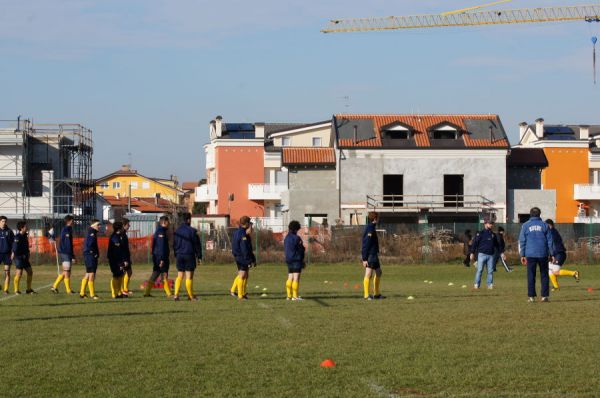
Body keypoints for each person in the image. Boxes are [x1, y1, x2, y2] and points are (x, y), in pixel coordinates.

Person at [518, 207, 555, 302]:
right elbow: (550, 241)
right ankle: (544, 296)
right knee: (544, 275)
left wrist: (522, 255)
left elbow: (522, 241)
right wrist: (552, 254)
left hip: (530, 254)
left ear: (530, 214)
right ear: (539, 214)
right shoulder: (545, 225)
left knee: (531, 275)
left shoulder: (525, 226)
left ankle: (531, 297)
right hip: (543, 254)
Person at [173, 212, 202, 301]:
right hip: (189, 255)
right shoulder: (192, 231)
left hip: (179, 255)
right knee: (189, 276)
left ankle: (176, 295)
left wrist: (176, 254)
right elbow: (197, 245)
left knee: (180, 276)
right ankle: (191, 296)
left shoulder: (177, 231)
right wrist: (199, 256)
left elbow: (174, 244)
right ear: (189, 220)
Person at [545, 219, 580, 291]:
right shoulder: (552, 232)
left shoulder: (552, 232)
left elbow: (552, 245)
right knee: (549, 270)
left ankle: (574, 273)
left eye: (545, 226)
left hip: (559, 254)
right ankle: (556, 287)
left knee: (555, 272)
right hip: (556, 253)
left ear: (549, 225)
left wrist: (552, 255)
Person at [470, 218, 503, 290]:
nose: (491, 225)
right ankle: (476, 284)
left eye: (492, 224)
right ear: (485, 224)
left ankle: (490, 284)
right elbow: (475, 243)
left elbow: (497, 245)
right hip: (482, 255)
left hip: (491, 255)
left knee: (490, 271)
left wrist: (501, 253)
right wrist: (472, 253)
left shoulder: (493, 234)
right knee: (480, 270)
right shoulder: (480, 233)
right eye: (490, 223)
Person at [144, 216, 172, 298]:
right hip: (160, 257)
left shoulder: (160, 230)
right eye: (168, 222)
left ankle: (147, 292)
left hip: (158, 257)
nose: (169, 223)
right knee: (164, 274)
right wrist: (161, 259)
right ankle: (168, 293)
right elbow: (161, 247)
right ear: (164, 222)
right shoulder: (161, 232)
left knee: (156, 274)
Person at [231, 216, 256, 300]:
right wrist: (248, 259)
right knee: (242, 275)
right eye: (249, 223)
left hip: (238, 256)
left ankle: (243, 293)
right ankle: (240, 295)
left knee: (245, 275)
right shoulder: (243, 234)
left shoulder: (237, 232)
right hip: (242, 257)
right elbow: (244, 248)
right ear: (247, 224)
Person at [51, 215, 76, 295]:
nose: (74, 222)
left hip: (65, 252)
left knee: (67, 271)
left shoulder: (68, 229)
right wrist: (72, 255)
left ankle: (54, 286)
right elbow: (67, 244)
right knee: (67, 271)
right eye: (73, 220)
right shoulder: (66, 230)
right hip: (65, 252)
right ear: (70, 221)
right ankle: (67, 290)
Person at [361, 212, 384, 300]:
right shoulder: (370, 227)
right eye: (377, 218)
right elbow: (366, 243)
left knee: (378, 272)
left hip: (374, 254)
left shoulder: (372, 227)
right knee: (368, 274)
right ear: (375, 219)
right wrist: (364, 258)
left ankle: (376, 294)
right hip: (370, 255)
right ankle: (366, 295)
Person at [284, 220, 305, 301]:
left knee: (290, 277)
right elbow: (301, 249)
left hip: (288, 259)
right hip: (296, 259)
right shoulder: (297, 238)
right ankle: (295, 296)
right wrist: (301, 259)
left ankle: (289, 296)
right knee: (296, 278)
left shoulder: (286, 237)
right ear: (296, 229)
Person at [80, 219, 101, 300]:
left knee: (88, 273)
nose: (99, 226)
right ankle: (92, 294)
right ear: (94, 225)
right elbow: (89, 244)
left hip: (88, 255)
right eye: (98, 224)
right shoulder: (92, 232)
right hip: (90, 255)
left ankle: (82, 293)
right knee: (92, 274)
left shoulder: (91, 231)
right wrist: (93, 253)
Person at [12, 221, 35, 294]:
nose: (27, 227)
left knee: (30, 272)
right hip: (19, 257)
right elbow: (15, 248)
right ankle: (16, 290)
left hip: (25, 257)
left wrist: (27, 252)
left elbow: (26, 246)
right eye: (25, 226)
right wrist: (17, 256)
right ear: (21, 228)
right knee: (19, 274)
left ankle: (28, 289)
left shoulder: (25, 235)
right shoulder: (17, 237)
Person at [107, 221, 127, 299]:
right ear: (119, 228)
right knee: (116, 275)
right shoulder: (114, 237)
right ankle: (114, 293)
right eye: (122, 227)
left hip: (118, 259)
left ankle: (119, 293)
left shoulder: (119, 236)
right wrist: (121, 260)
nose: (123, 228)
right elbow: (118, 250)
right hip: (114, 259)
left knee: (119, 275)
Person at [0, 216, 15, 295]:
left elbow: (14, 243)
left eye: (5, 221)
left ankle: (6, 290)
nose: (4, 223)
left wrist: (13, 252)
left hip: (7, 254)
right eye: (2, 221)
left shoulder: (9, 231)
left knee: (7, 272)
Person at [121, 218, 133, 296]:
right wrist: (124, 259)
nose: (129, 226)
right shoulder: (121, 234)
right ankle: (122, 290)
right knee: (123, 273)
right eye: (128, 224)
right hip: (122, 257)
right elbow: (121, 248)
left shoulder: (124, 234)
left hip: (126, 256)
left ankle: (125, 289)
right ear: (124, 225)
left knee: (129, 272)